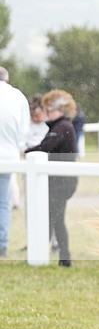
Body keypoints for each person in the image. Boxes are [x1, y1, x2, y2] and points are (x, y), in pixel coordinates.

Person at [25, 89, 78, 267]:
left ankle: (63, 257)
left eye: (49, 109)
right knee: (54, 218)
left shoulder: (62, 127)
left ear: (61, 110)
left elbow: (45, 147)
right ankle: (55, 255)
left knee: (56, 219)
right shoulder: (61, 126)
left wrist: (26, 152)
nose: (46, 112)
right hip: (60, 180)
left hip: (61, 182)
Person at [0, 66, 30, 258]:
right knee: (3, 202)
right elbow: (23, 131)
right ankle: (2, 245)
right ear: (7, 79)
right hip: (8, 157)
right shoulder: (17, 96)